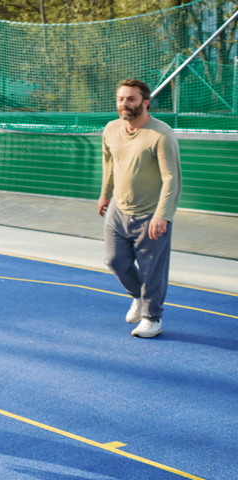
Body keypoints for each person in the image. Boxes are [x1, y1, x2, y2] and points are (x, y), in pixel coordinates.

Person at [99, 78, 181, 338]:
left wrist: (162, 215)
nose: (125, 104)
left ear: (145, 102)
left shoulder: (161, 134)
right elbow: (109, 165)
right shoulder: (111, 129)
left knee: (152, 270)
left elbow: (172, 179)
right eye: (121, 99)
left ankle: (151, 318)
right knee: (114, 261)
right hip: (118, 211)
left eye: (131, 99)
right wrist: (104, 196)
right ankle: (137, 297)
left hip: (150, 215)